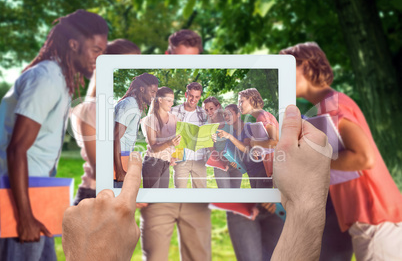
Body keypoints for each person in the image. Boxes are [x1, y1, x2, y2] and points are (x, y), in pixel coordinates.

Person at [62, 105, 333, 261]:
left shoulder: (235, 125)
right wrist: (307, 204)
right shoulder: (164, 116)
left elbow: (245, 151)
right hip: (172, 174)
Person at [0, 10, 108, 260]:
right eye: (96, 50)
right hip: (20, 200)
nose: (99, 58)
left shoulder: (60, 78)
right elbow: (17, 149)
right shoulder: (47, 77)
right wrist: (25, 218)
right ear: (73, 44)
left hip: (38, 195)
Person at [280, 42, 402, 260]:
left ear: (307, 66)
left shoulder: (335, 106)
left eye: (286, 67)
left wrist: (312, 160)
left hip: (375, 216)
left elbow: (364, 158)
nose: (282, 76)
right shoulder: (324, 107)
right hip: (365, 216)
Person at [139, 30, 212, 261]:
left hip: (196, 160)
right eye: (189, 96)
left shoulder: (202, 113)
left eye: (196, 97)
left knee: (198, 250)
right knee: (155, 251)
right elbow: (157, 142)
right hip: (173, 164)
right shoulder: (173, 112)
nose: (193, 99)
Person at [70, 39, 141, 205]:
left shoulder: (110, 107)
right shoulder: (92, 109)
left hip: (110, 192)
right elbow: (99, 169)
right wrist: (129, 193)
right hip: (95, 196)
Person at [217, 104, 284, 260]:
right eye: (225, 115)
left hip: (261, 169)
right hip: (251, 171)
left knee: (268, 207)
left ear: (237, 114)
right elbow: (237, 153)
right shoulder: (231, 131)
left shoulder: (248, 127)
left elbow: (249, 149)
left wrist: (230, 139)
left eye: (229, 114)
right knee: (259, 206)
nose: (226, 117)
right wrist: (232, 161)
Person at [113, 73, 159, 188]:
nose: (154, 96)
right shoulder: (130, 105)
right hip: (117, 165)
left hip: (124, 159)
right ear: (142, 89)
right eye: (152, 92)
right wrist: (119, 171)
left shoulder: (135, 105)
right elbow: (115, 138)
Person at [141, 87, 181, 188]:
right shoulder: (151, 119)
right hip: (152, 163)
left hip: (166, 163)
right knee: (152, 199)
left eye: (172, 101)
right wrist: (169, 143)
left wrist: (174, 156)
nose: (172, 104)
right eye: (169, 100)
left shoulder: (174, 119)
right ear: (160, 100)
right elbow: (154, 147)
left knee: (162, 198)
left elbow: (179, 139)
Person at [204, 99, 242, 188]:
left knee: (236, 194)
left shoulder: (229, 120)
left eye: (211, 108)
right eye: (206, 110)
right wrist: (222, 161)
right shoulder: (207, 126)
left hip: (235, 161)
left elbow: (238, 140)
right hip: (220, 163)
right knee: (225, 194)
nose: (209, 112)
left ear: (218, 107)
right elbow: (212, 150)